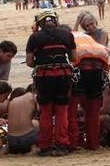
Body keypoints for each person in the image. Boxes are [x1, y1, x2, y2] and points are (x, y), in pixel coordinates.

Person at [25, 10, 76, 156]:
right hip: (63, 76)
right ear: (56, 21)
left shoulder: (34, 37)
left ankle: (45, 146)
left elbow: (29, 62)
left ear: (40, 23)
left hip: (44, 77)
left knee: (45, 112)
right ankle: (62, 145)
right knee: (62, 111)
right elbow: (73, 57)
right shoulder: (67, 34)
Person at [66, 25, 110, 150]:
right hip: (98, 70)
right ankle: (93, 144)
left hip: (80, 69)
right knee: (93, 111)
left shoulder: (66, 37)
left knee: (72, 110)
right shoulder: (86, 37)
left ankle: (73, 143)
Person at [5, 85, 40, 155]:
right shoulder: (33, 97)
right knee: (37, 123)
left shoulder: (14, 100)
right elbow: (40, 113)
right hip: (27, 140)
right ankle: (34, 148)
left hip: (11, 141)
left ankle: (7, 149)